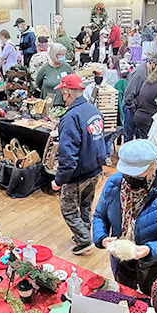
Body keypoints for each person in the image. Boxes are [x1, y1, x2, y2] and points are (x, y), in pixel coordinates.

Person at [92, 139, 157, 294]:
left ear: (152, 169)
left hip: (156, 265)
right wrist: (101, 237)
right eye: (126, 172)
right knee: (126, 298)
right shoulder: (113, 184)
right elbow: (100, 215)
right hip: (122, 263)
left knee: (154, 303)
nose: (130, 178)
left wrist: (148, 250)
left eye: (136, 174)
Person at [52, 74, 107, 255]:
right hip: (96, 169)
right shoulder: (93, 110)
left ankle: (84, 240)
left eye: (62, 92)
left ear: (67, 92)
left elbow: (68, 157)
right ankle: (84, 233)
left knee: (68, 208)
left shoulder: (70, 118)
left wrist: (59, 181)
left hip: (79, 173)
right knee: (85, 205)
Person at [122, 51, 157, 142]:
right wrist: (135, 108)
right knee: (128, 137)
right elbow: (128, 96)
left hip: (136, 108)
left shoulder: (147, 72)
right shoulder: (140, 74)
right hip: (130, 109)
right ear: (153, 64)